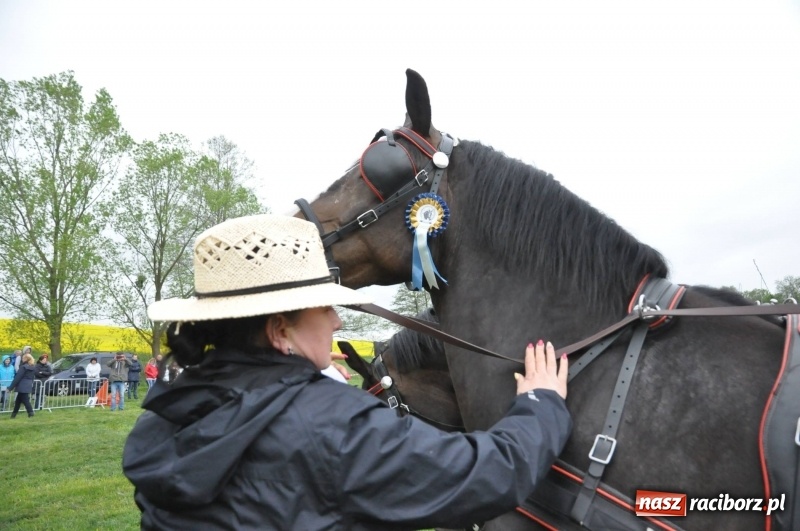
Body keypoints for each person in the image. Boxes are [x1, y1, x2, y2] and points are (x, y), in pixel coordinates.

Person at [123, 214, 571, 530]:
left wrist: (299, 383)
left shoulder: (165, 414)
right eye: (326, 306)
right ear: (281, 330)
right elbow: (486, 476)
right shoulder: (335, 424)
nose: (337, 322)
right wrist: (541, 404)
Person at [8, 353, 35, 418]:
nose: (22, 359)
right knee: (18, 401)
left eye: (23, 358)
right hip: (28, 384)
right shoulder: (32, 367)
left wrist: (10, 388)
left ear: (25, 359)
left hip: (22, 385)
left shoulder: (23, 367)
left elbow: (18, 377)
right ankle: (13, 415)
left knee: (25, 400)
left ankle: (30, 412)